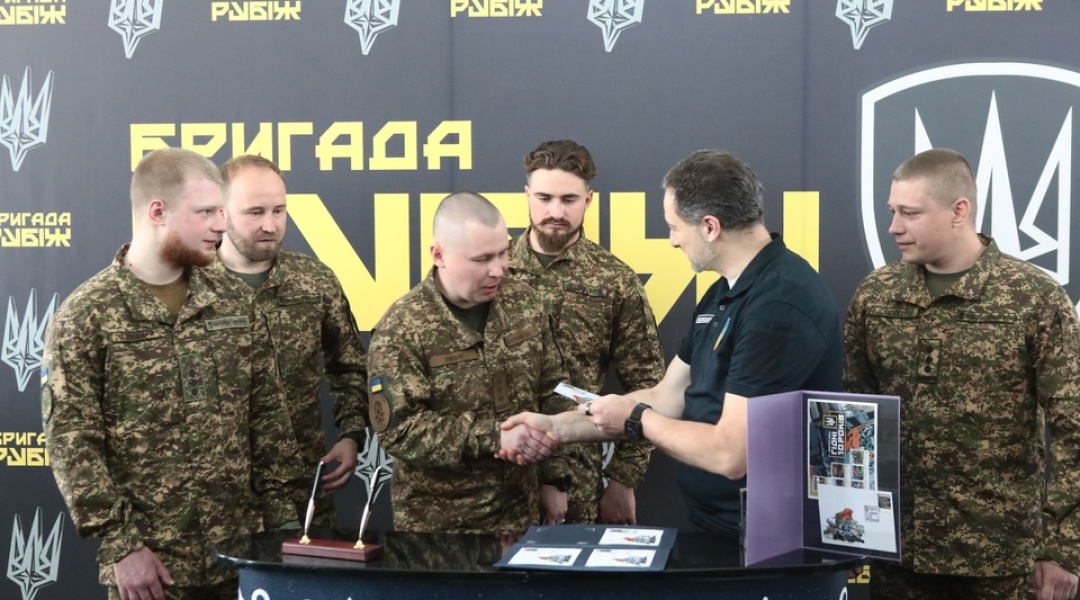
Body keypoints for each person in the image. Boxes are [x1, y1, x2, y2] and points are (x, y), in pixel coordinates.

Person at [499, 149, 843, 537]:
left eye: (675, 227)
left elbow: (730, 454)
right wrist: (553, 428)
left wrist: (635, 420)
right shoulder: (724, 292)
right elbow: (666, 396)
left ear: (710, 227)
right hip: (721, 525)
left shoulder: (779, 304)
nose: (672, 242)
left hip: (772, 536)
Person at [41, 147, 302, 600]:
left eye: (222, 211)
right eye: (205, 212)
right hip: (153, 569)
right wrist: (122, 547)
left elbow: (268, 421)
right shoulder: (87, 316)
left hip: (241, 556)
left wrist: (282, 529)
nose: (221, 225)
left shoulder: (234, 301)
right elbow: (73, 442)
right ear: (157, 212)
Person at [843, 148, 1080, 600]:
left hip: (999, 558)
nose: (895, 227)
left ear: (958, 211)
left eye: (911, 213)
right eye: (892, 212)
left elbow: (1074, 428)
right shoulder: (877, 295)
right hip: (898, 554)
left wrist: (1064, 547)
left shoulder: (1033, 298)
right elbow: (856, 417)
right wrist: (849, 527)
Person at [366, 191, 574, 534]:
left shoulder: (524, 302)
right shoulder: (401, 329)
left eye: (503, 252)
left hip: (522, 517)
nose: (498, 269)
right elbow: (400, 430)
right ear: (439, 255)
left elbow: (553, 388)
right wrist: (495, 438)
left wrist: (555, 477)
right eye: (482, 259)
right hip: (442, 530)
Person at [506, 139, 665, 525]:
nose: (555, 212)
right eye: (544, 198)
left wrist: (624, 478)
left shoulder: (613, 280)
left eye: (569, 200)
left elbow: (648, 386)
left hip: (579, 483)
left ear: (589, 200)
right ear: (526, 195)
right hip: (497, 477)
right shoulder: (494, 270)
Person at [215, 154, 368, 527]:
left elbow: (350, 366)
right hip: (217, 500)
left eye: (279, 211)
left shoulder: (314, 281)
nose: (270, 225)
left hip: (302, 490)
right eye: (255, 212)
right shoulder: (191, 286)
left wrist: (351, 435)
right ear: (221, 211)